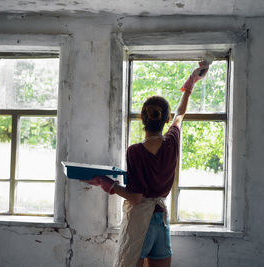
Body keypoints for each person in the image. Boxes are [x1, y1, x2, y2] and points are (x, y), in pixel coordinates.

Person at [84, 61, 209, 267]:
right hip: (160, 221)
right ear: (166, 119)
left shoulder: (135, 151)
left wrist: (107, 184)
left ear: (142, 118)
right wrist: (190, 84)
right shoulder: (172, 141)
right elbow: (181, 114)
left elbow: (135, 198)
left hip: (140, 223)